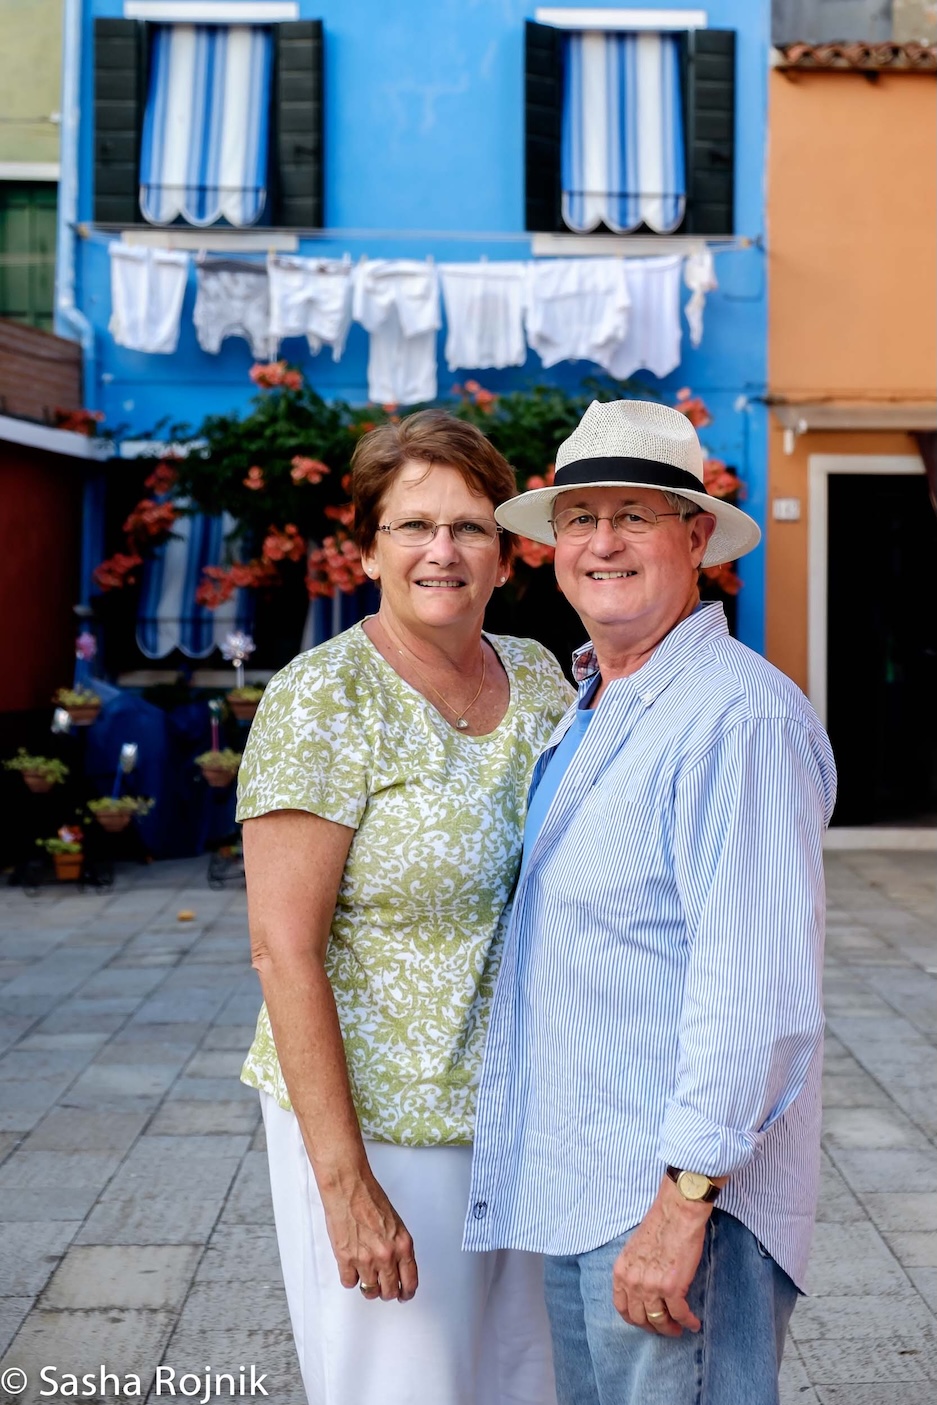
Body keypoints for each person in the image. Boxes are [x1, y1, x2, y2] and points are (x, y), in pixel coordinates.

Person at [465, 399, 837, 1405]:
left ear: (698, 535)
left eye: (634, 513)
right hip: (592, 1190)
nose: (602, 542)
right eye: (580, 518)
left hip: (677, 1209)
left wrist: (683, 1204)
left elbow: (756, 991)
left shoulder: (736, 718)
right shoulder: (593, 703)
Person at [236, 409, 573, 1405]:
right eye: (412, 525)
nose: (442, 550)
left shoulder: (541, 680)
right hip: (379, 1123)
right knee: (403, 1387)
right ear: (366, 547)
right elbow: (280, 951)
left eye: (469, 525)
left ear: (506, 554)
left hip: (520, 1118)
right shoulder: (324, 698)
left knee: (522, 1383)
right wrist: (346, 1188)